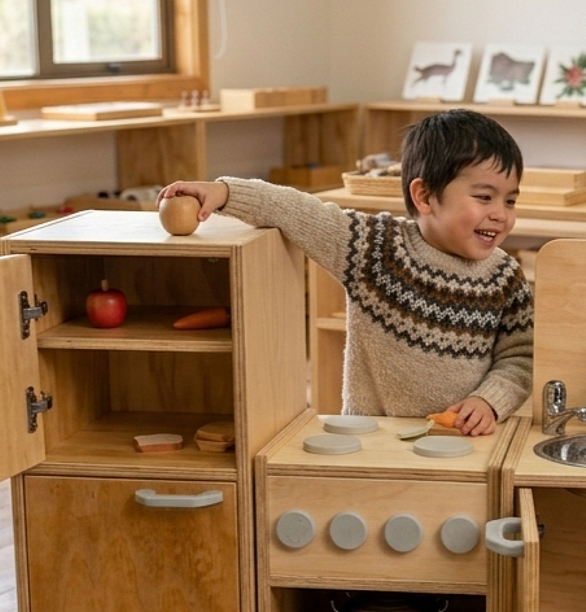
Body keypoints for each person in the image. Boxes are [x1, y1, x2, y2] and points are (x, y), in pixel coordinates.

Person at [158, 109, 532, 435]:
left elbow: (520, 357)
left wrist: (489, 401)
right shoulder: (378, 249)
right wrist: (224, 192)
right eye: (484, 197)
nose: (501, 213)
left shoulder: (505, 276)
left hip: (462, 441)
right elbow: (297, 210)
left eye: (510, 200)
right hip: (370, 439)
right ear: (424, 196)